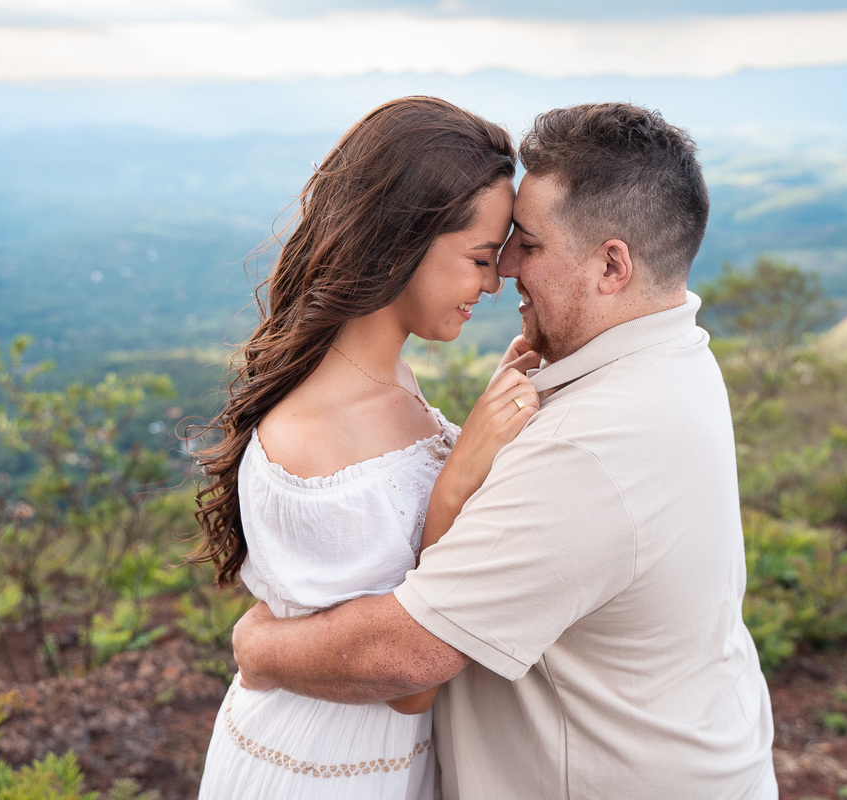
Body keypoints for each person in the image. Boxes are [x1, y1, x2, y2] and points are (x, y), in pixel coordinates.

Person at [230, 102, 779, 798]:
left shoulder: (588, 448)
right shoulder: (677, 358)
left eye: (530, 245)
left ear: (612, 265)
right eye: (493, 250)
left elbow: (407, 655)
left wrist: (260, 648)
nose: (506, 269)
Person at [189, 96, 540, 799]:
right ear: (401, 241)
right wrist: (460, 473)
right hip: (318, 770)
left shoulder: (389, 379)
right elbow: (408, 686)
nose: (493, 283)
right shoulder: (314, 439)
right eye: (479, 258)